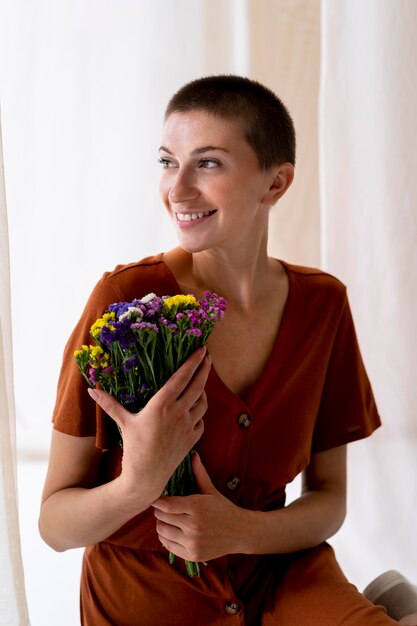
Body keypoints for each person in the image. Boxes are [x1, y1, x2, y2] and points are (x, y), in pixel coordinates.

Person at [39, 75, 417, 625]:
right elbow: (54, 524)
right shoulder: (125, 301)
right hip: (149, 595)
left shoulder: (322, 305)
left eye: (209, 163)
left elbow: (329, 499)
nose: (178, 188)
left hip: (281, 574)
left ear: (276, 183)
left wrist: (242, 530)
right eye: (168, 161)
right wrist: (138, 484)